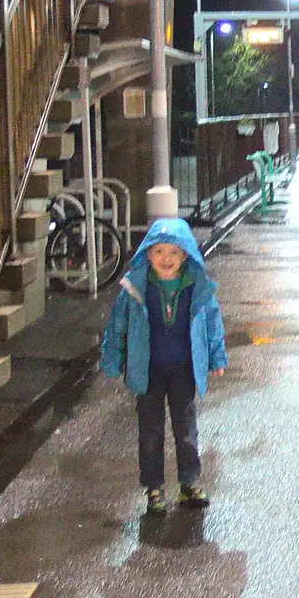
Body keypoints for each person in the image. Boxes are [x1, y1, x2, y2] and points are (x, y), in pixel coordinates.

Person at [100, 217, 227, 515]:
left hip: (183, 370)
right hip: (148, 371)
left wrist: (216, 356)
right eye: (159, 252)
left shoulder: (196, 288)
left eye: (173, 252)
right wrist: (112, 358)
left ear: (185, 255)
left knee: (186, 430)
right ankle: (154, 488)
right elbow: (118, 326)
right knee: (150, 432)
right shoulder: (134, 289)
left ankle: (189, 483)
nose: (166, 259)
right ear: (148, 254)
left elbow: (211, 323)